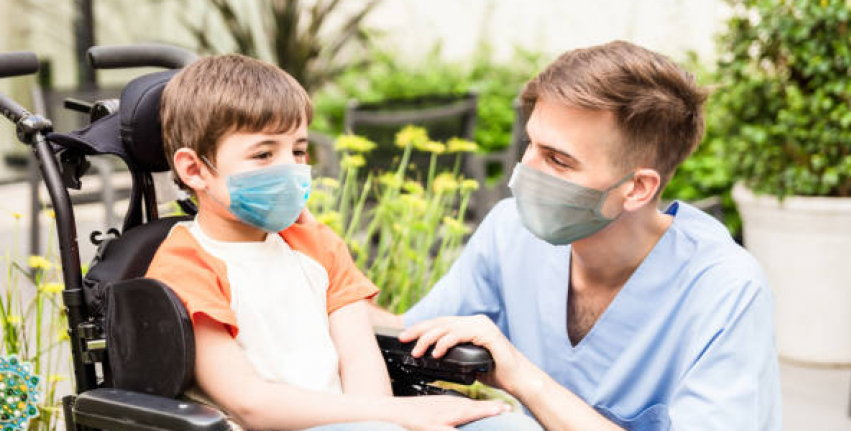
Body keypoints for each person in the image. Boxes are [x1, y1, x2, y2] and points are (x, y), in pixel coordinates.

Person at [371, 40, 782, 430]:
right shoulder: (510, 230)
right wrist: (327, 280)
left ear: (637, 188)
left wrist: (524, 379)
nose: (526, 171)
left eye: (558, 160)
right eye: (530, 145)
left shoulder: (726, 289)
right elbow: (410, 336)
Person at [145, 54, 542, 431]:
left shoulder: (316, 244)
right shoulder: (187, 264)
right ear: (195, 169)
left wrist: (389, 418)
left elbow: (360, 358)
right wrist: (399, 413)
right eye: (264, 154)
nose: (290, 168)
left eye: (298, 150)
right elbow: (251, 403)